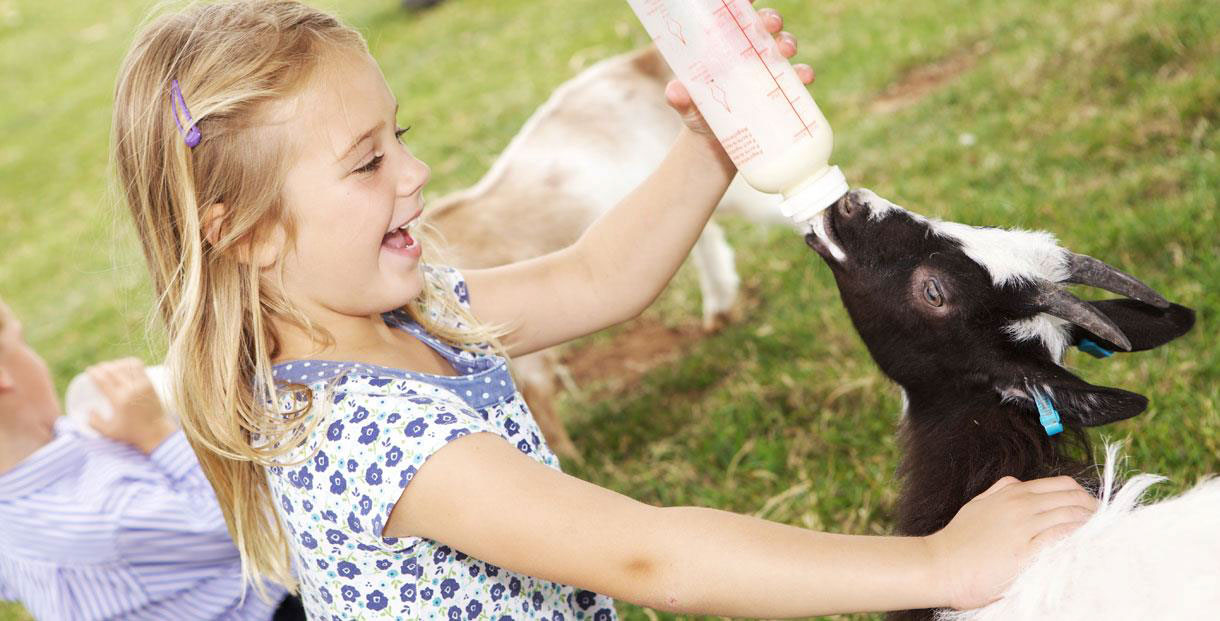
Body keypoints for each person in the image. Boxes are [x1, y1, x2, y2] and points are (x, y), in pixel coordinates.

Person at [112, 1, 1099, 618]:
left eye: (397, 134)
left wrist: (719, 137)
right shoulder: (370, 440)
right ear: (243, 234)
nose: (414, 172)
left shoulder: (408, 314)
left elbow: (595, 279)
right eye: (367, 162)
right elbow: (649, 555)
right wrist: (937, 565)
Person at [0, 298, 304, 620]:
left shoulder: (23, 498)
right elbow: (253, 526)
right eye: (23, 343)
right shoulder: (107, 516)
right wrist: (156, 434)